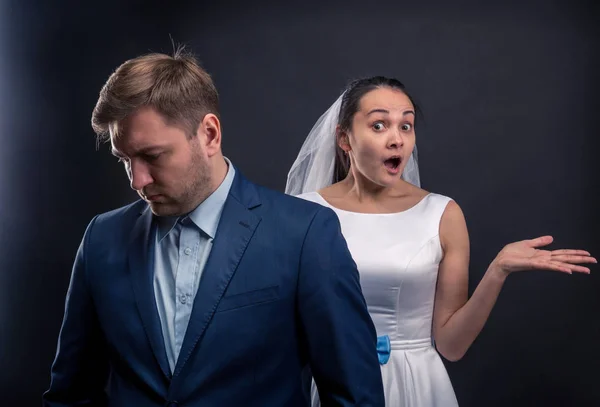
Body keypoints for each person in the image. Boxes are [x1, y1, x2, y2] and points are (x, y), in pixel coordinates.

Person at [43, 50, 386, 407]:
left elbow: (355, 398)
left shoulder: (305, 234)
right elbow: (71, 394)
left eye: (152, 156)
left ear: (209, 134)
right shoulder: (102, 238)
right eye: (124, 160)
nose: (137, 180)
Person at [285, 76, 596, 406]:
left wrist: (497, 270)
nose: (397, 139)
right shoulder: (304, 211)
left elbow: (452, 345)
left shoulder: (442, 213)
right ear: (345, 138)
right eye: (379, 125)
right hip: (339, 386)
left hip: (420, 386)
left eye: (406, 126)